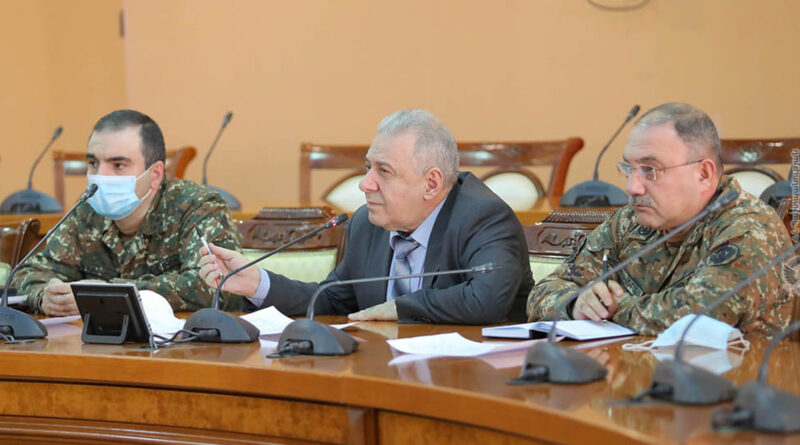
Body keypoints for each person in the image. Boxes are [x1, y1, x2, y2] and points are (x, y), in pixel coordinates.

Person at [200, 109, 533, 324]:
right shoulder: (367, 223)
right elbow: (333, 298)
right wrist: (257, 283)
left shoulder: (484, 218)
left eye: (384, 171)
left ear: (431, 183)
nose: (365, 184)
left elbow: (485, 299)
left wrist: (400, 307)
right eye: (367, 167)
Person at [528, 102, 792, 337]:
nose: (632, 187)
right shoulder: (630, 221)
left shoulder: (749, 227)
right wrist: (576, 304)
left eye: (650, 170)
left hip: (734, 374)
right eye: (629, 169)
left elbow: (697, 317)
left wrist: (614, 308)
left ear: (703, 174)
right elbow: (543, 291)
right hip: (637, 368)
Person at [13, 109, 243, 316]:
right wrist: (45, 296)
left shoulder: (198, 206)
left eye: (118, 165)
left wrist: (110, 294)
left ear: (155, 174)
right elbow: (29, 273)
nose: (101, 176)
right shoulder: (85, 211)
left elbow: (215, 286)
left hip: (186, 343)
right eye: (93, 163)